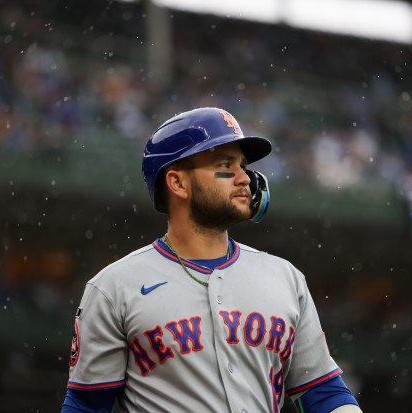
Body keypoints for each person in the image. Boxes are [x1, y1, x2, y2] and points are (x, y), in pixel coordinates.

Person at [61, 107, 363, 412]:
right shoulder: (113, 287)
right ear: (177, 183)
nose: (245, 178)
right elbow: (86, 405)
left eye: (243, 166)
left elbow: (323, 392)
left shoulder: (286, 278)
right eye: (225, 165)